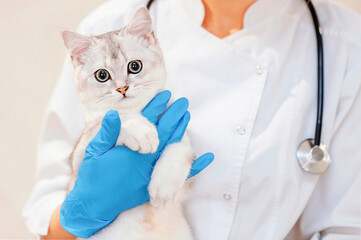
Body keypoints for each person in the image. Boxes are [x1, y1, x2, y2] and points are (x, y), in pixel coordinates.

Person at [23, 0, 361, 239]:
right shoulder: (106, 27)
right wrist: (83, 211)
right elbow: (50, 221)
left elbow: (348, 227)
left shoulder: (344, 44)